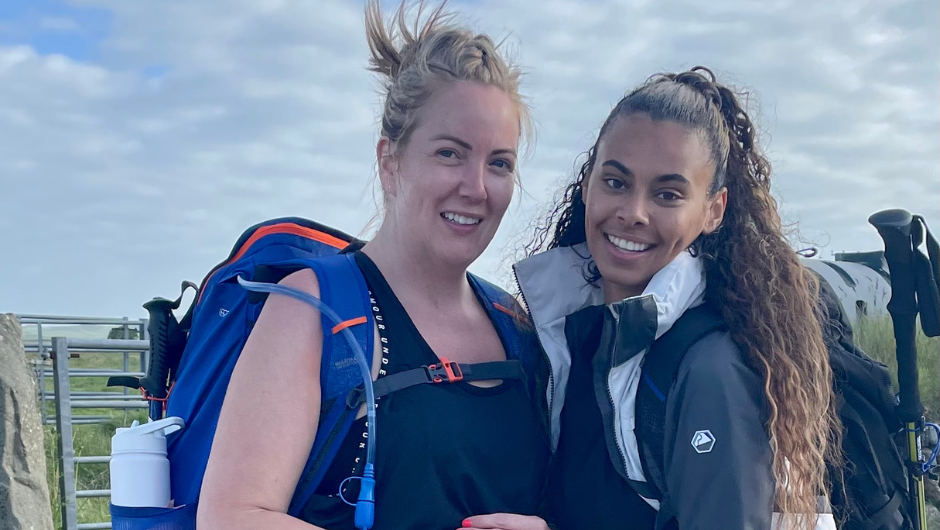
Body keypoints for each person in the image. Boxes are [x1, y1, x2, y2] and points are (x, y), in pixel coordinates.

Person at [196, 2, 550, 529]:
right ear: (390, 161)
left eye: (499, 163)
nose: (477, 188)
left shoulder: (515, 323)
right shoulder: (313, 309)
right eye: (450, 153)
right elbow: (231, 518)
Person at [465, 67, 839, 530]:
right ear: (587, 184)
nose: (632, 213)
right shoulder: (574, 337)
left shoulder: (710, 372)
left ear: (713, 210)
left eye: (667, 194)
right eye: (616, 182)